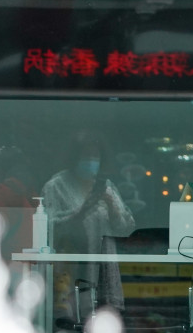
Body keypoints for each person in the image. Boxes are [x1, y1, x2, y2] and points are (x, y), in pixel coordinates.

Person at [41, 131, 135, 318]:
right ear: (74, 157)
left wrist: (111, 204)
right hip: (71, 273)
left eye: (96, 156)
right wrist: (81, 212)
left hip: (104, 273)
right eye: (86, 155)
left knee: (104, 330)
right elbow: (49, 227)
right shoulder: (56, 186)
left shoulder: (106, 186)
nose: (91, 160)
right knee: (72, 325)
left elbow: (127, 228)